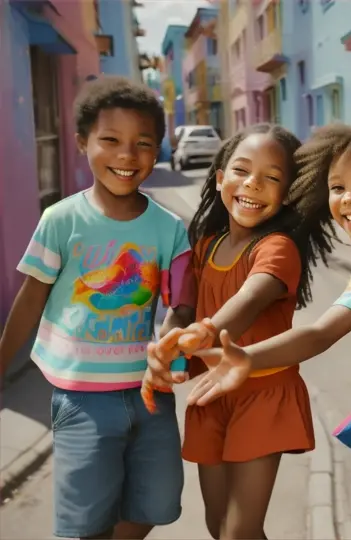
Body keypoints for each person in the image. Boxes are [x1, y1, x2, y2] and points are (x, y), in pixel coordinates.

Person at [153, 122, 351, 540]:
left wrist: (234, 348)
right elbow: (185, 305)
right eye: (337, 187)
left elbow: (317, 330)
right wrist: (173, 345)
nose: (348, 200)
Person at [0, 76, 189, 539]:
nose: (127, 155)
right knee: (85, 521)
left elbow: (182, 304)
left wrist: (173, 342)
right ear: (83, 142)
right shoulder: (61, 220)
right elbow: (31, 299)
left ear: (158, 150)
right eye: (110, 140)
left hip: (151, 395)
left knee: (157, 503)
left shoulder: (169, 229)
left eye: (143, 143)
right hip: (81, 397)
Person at [143, 123, 336, 540]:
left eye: (271, 178)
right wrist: (169, 344)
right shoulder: (205, 245)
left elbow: (246, 304)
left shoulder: (277, 247)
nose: (253, 184)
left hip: (263, 394)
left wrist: (206, 332)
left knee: (238, 532)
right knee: (219, 527)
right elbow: (182, 309)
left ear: (287, 194)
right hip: (209, 395)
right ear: (219, 178)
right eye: (242, 171)